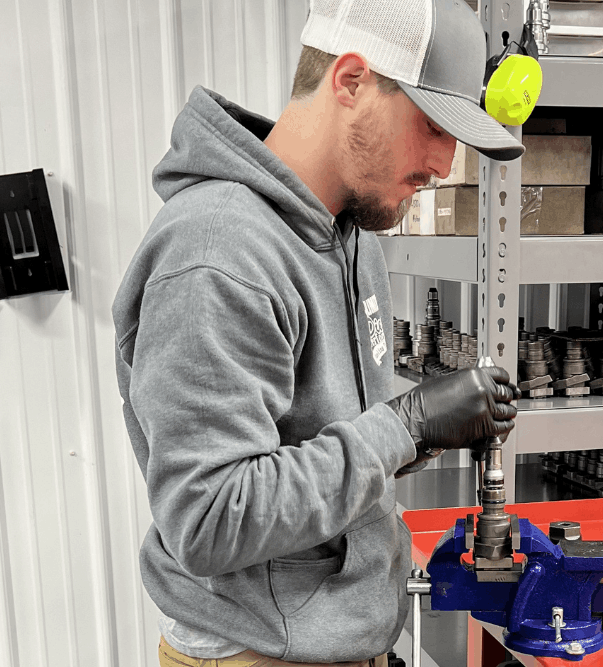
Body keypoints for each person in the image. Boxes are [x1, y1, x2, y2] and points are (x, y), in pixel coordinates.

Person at [112, 0, 525, 664]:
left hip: (334, 641)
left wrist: (428, 424)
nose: (445, 163)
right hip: (256, 652)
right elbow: (210, 515)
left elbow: (318, 441)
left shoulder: (347, 232)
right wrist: (406, 424)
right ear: (351, 81)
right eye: (429, 125)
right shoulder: (217, 253)